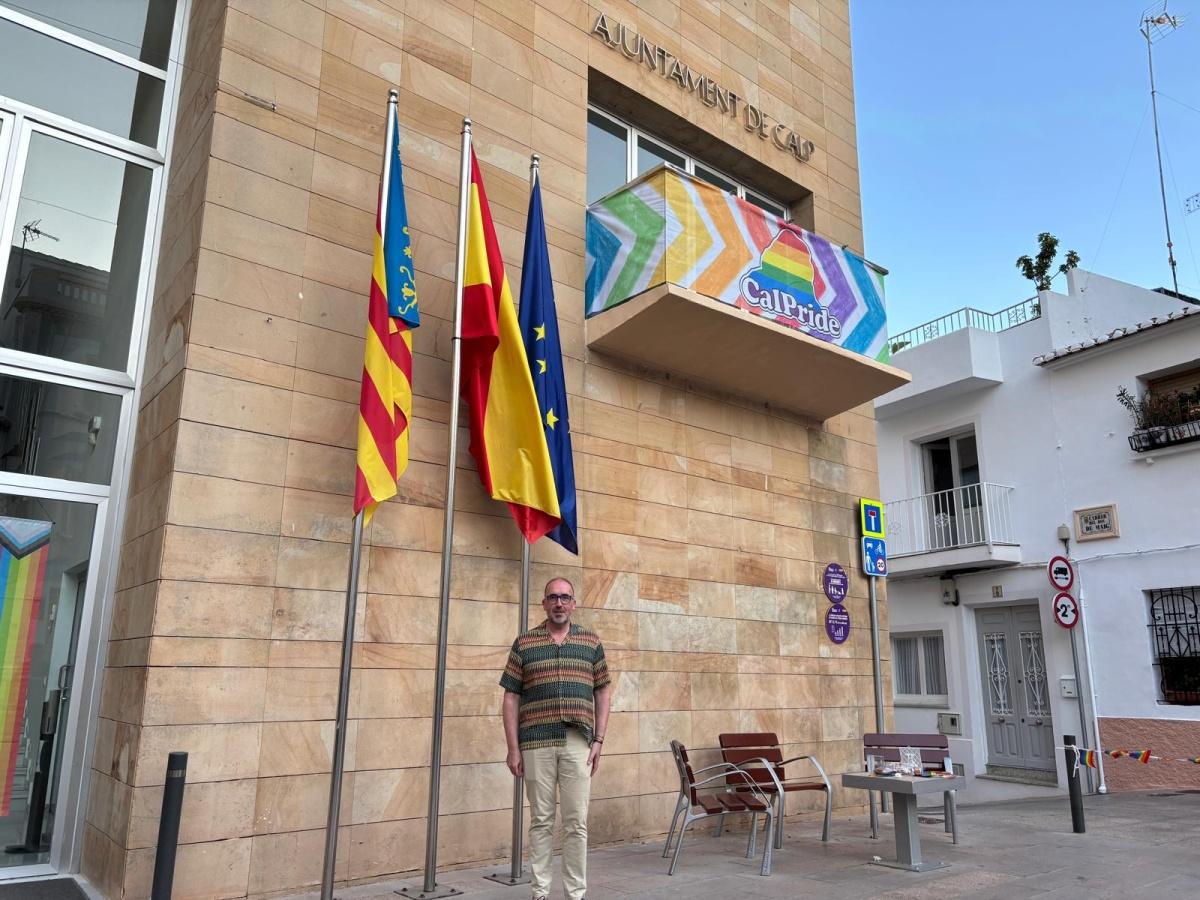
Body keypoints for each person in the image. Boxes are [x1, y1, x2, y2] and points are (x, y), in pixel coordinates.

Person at [500, 576, 612, 900]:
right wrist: (512, 748)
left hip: (579, 741)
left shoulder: (590, 643)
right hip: (535, 743)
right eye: (553, 597)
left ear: (574, 604)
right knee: (541, 821)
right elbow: (511, 697)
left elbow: (603, 691)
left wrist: (600, 740)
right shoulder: (524, 643)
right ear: (544, 603)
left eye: (565, 597)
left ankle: (575, 893)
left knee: (576, 822)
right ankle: (540, 892)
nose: (559, 603)